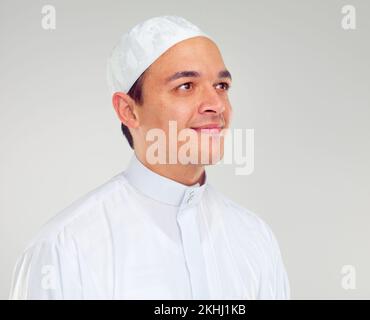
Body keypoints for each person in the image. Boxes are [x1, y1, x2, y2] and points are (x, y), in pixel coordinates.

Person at [9, 15, 290, 299]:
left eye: (221, 86)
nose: (216, 105)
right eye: (186, 86)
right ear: (128, 110)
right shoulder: (64, 250)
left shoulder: (255, 239)